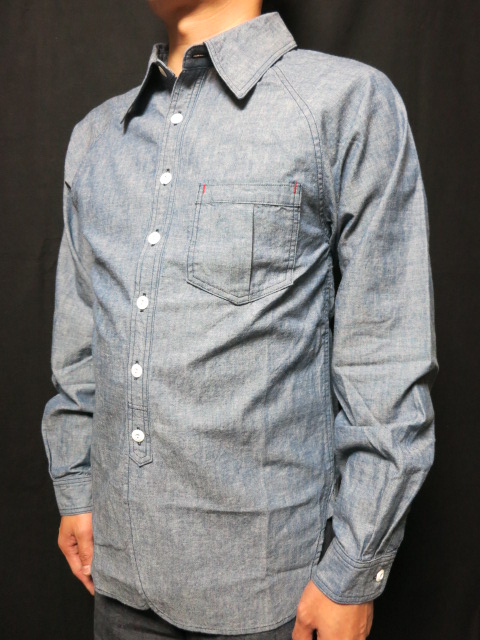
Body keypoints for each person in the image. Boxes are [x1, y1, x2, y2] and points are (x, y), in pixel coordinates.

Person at [41, 1, 438, 639]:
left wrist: (354, 567)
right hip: (118, 582)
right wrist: (76, 485)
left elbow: (385, 357)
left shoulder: (345, 104)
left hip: (271, 598)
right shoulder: (96, 137)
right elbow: (81, 343)